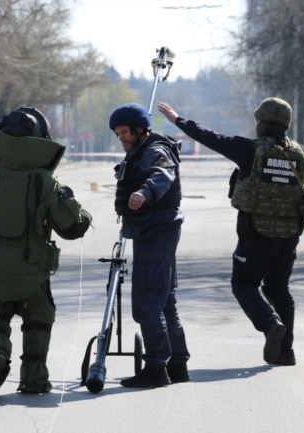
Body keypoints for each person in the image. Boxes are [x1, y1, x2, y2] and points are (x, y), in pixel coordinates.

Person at [158, 98, 304, 366]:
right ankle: (285, 352)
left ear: (261, 122)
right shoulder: (301, 154)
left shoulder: (249, 150)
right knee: (279, 288)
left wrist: (178, 120)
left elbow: (211, 137)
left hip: (256, 232)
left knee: (244, 284)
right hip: (289, 234)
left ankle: (270, 324)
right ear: (286, 123)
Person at [0, 107, 92, 394]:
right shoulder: (45, 180)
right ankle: (34, 378)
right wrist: (82, 213)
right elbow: (71, 227)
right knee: (39, 320)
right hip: (32, 271)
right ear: (40, 138)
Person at [108, 102, 191, 388]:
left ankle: (156, 367)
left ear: (139, 129)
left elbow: (163, 174)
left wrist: (144, 191)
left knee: (147, 300)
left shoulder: (156, 150)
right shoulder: (139, 151)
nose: (122, 138)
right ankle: (177, 364)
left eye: (124, 132)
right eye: (118, 134)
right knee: (164, 298)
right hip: (152, 230)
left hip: (157, 231)